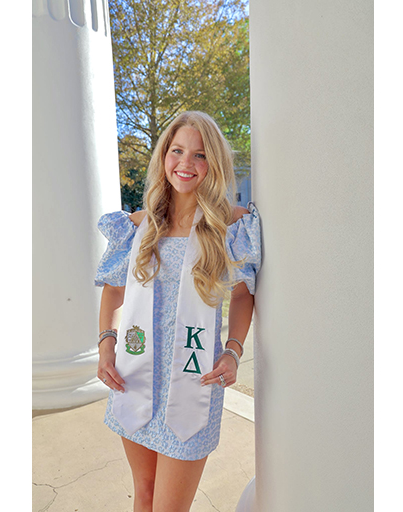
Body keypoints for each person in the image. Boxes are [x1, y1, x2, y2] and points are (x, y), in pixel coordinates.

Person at [93, 111, 261, 512]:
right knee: (145, 495)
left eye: (200, 155)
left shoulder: (230, 226)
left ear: (214, 163)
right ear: (163, 156)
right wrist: (105, 346)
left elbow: (242, 293)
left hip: (192, 382)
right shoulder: (138, 226)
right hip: (135, 378)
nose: (186, 164)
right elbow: (114, 291)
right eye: (177, 150)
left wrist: (233, 350)